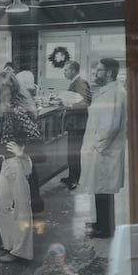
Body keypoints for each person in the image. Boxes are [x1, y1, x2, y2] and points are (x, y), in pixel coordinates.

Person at [0, 70, 40, 264]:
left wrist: (21, 151)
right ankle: (9, 243)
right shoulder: (7, 107)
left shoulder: (17, 109)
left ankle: (22, 251)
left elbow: (36, 136)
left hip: (17, 163)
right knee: (1, 205)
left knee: (22, 207)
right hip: (7, 162)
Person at [80, 57, 127, 239]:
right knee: (100, 190)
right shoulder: (107, 91)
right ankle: (101, 223)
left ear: (108, 73)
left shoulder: (115, 93)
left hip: (104, 151)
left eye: (98, 70)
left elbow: (111, 127)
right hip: (101, 150)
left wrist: (98, 147)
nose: (95, 73)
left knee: (104, 190)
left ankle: (105, 228)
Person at [59, 60, 93, 190]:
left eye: (66, 70)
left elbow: (87, 102)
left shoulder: (80, 82)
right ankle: (71, 176)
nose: (64, 73)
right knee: (72, 152)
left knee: (74, 152)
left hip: (77, 125)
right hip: (74, 124)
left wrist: (70, 106)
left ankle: (74, 179)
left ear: (73, 70)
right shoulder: (75, 82)